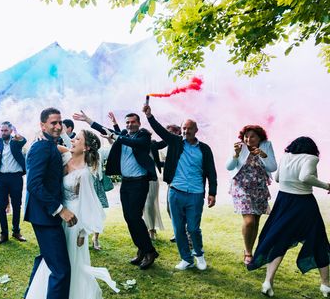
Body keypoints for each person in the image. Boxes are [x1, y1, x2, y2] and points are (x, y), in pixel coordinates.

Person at [24, 129, 127, 299]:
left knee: (66, 266)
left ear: (87, 147)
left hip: (74, 224)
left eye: (77, 139)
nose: (72, 141)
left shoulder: (86, 174)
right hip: (56, 218)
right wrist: (39, 137)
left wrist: (83, 231)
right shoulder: (64, 156)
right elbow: (50, 146)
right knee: (52, 262)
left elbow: (90, 205)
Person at [73, 110, 160, 269]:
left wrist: (115, 135)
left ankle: (150, 251)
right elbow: (105, 130)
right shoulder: (124, 136)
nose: (130, 125)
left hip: (139, 183)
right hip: (126, 183)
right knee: (129, 218)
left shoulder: (143, 136)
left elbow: (132, 142)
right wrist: (87, 120)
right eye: (127, 122)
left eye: (133, 122)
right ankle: (141, 249)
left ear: (139, 123)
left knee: (135, 217)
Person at [247, 137, 330, 298]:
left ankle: (268, 282)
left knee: (280, 241)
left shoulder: (286, 157)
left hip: (283, 202)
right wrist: (326, 185)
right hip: (303, 204)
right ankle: (326, 284)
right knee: (318, 240)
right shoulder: (311, 158)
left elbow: (277, 178)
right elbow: (305, 177)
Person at [24, 107, 78, 299]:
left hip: (47, 215)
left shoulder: (51, 146)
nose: (58, 126)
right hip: (45, 216)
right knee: (61, 270)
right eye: (53, 123)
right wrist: (60, 209)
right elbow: (34, 185)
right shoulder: (39, 147)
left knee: (44, 258)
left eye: (59, 123)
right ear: (43, 125)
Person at [143, 104, 217, 271]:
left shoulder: (204, 149)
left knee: (193, 227)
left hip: (196, 193)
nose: (186, 131)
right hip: (176, 191)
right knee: (178, 228)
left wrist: (212, 193)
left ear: (196, 130)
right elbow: (160, 131)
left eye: (189, 128)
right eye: (184, 128)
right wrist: (149, 116)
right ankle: (186, 259)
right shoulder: (175, 142)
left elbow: (211, 172)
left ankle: (199, 254)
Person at [226, 125, 277, 264]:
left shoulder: (266, 145)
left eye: (252, 136)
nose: (248, 139)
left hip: (259, 188)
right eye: (246, 136)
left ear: (260, 137)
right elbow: (229, 167)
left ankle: (251, 249)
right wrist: (235, 155)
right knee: (249, 222)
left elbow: (273, 167)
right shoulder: (239, 147)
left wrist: (263, 155)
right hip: (241, 188)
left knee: (256, 221)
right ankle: (248, 252)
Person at [0, 121, 28, 244]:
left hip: (15, 177)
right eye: (2, 130)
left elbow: (23, 141)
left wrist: (18, 135)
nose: (3, 132)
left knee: (16, 205)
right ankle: (4, 234)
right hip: (1, 178)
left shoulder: (16, 141)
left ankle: (16, 231)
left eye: (5, 130)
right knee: (0, 206)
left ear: (10, 131)